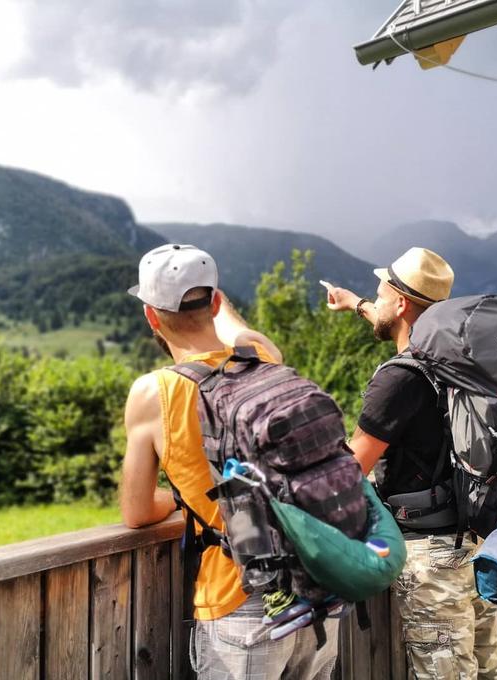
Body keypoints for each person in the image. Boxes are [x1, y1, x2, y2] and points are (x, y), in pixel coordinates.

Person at [121, 243, 339, 680]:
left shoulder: (153, 393)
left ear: (151, 315)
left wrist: (182, 500)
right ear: (217, 301)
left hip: (239, 598)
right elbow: (241, 330)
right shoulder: (263, 361)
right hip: (316, 590)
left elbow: (136, 511)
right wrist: (220, 306)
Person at [324, 247, 497, 680]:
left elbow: (352, 470)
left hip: (430, 558)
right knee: (488, 671)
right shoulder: (464, 362)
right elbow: (391, 321)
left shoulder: (398, 378)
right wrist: (355, 303)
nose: (376, 301)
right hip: (477, 542)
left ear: (402, 303)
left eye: (379, 293)